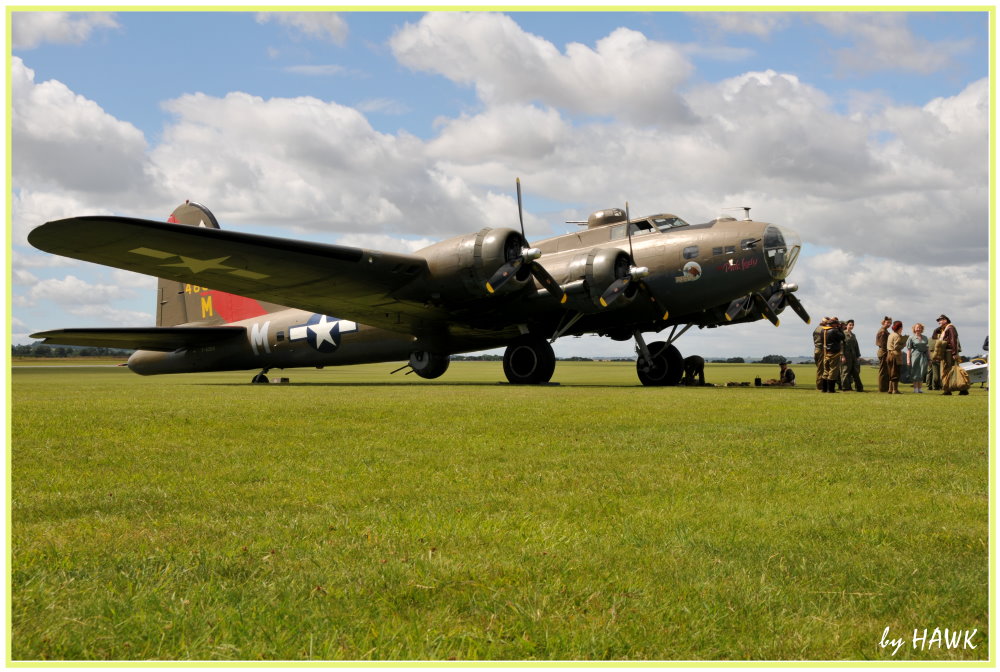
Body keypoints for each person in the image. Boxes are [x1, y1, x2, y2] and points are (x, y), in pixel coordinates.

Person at [935, 315, 966, 396]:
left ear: (945, 320)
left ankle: (950, 390)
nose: (939, 322)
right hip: (947, 352)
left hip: (949, 352)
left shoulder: (950, 328)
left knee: (948, 370)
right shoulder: (945, 329)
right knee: (951, 370)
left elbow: (953, 340)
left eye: (940, 320)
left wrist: (954, 353)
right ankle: (958, 389)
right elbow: (934, 335)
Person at [819, 317, 845, 392]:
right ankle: (831, 389)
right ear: (833, 324)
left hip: (826, 352)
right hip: (834, 353)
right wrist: (840, 329)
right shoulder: (834, 331)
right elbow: (842, 337)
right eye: (836, 324)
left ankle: (824, 389)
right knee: (833, 371)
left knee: (826, 371)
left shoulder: (823, 330)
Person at [840, 319, 863, 392]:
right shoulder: (843, 334)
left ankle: (859, 388)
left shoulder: (853, 335)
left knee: (855, 372)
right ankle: (845, 387)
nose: (851, 326)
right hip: (846, 355)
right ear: (846, 325)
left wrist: (858, 356)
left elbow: (856, 346)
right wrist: (842, 356)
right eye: (850, 325)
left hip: (853, 355)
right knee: (845, 371)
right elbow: (841, 346)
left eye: (852, 325)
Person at [907, 323, 930, 393]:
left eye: (920, 328)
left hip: (924, 356)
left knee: (922, 371)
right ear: (914, 329)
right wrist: (908, 360)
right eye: (917, 327)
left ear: (922, 329)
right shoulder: (911, 338)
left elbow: (927, 349)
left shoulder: (925, 338)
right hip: (915, 356)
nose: (918, 329)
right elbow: (909, 349)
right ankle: (915, 389)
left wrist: (929, 358)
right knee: (915, 371)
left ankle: (920, 388)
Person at [886, 321, 907, 395]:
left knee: (890, 373)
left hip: (889, 355)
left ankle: (890, 389)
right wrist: (903, 345)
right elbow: (896, 347)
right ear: (900, 328)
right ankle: (895, 390)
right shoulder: (897, 336)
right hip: (895, 356)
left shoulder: (891, 335)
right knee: (895, 372)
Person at [875, 316, 891, 393]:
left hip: (884, 352)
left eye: (890, 323)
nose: (889, 324)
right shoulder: (883, 331)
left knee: (885, 371)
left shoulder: (885, 331)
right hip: (883, 352)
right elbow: (883, 344)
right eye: (887, 322)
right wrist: (887, 354)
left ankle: (885, 388)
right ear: (883, 322)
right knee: (883, 371)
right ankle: (882, 389)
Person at [813, 318, 828, 390]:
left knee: (819, 368)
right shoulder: (824, 329)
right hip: (822, 350)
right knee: (821, 369)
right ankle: (819, 386)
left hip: (816, 349)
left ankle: (820, 385)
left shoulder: (816, 328)